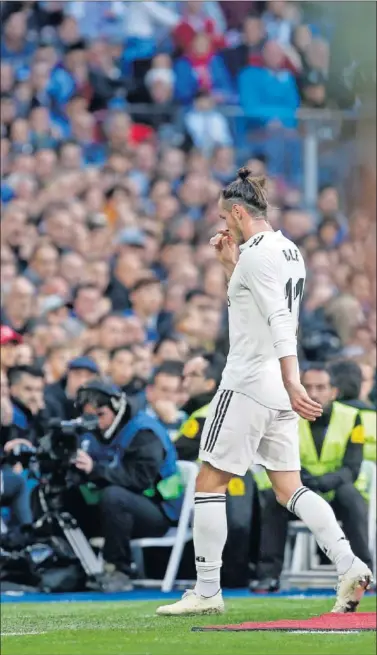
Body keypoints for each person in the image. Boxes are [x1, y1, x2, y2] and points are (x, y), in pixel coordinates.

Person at [156, 168, 372, 616]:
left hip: (250, 380)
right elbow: (259, 305)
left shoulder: (257, 255)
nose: (222, 225)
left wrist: (293, 378)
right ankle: (349, 563)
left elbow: (276, 319)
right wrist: (229, 265)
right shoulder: (289, 250)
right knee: (289, 488)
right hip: (273, 384)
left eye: (224, 216)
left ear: (238, 212)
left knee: (209, 479)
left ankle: (208, 591)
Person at [253, 364, 373, 592]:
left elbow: (352, 467)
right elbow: (279, 458)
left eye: (321, 387)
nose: (314, 393)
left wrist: (328, 480)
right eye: (307, 387)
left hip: (336, 489)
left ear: (334, 392)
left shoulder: (352, 417)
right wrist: (306, 481)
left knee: (352, 497)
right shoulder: (284, 416)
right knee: (273, 498)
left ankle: (362, 573)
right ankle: (267, 575)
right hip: (299, 489)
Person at [63, 379, 184, 592]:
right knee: (69, 495)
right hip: (121, 511)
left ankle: (119, 570)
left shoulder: (143, 431)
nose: (96, 423)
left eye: (101, 415)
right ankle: (72, 565)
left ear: (117, 409)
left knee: (114, 496)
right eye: (90, 417)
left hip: (159, 510)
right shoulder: (93, 433)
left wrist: (95, 469)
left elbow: (139, 479)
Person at [44, 356, 99, 421]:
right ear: (68, 374)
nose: (82, 380)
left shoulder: (98, 399)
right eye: (77, 374)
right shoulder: (50, 395)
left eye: (88, 376)